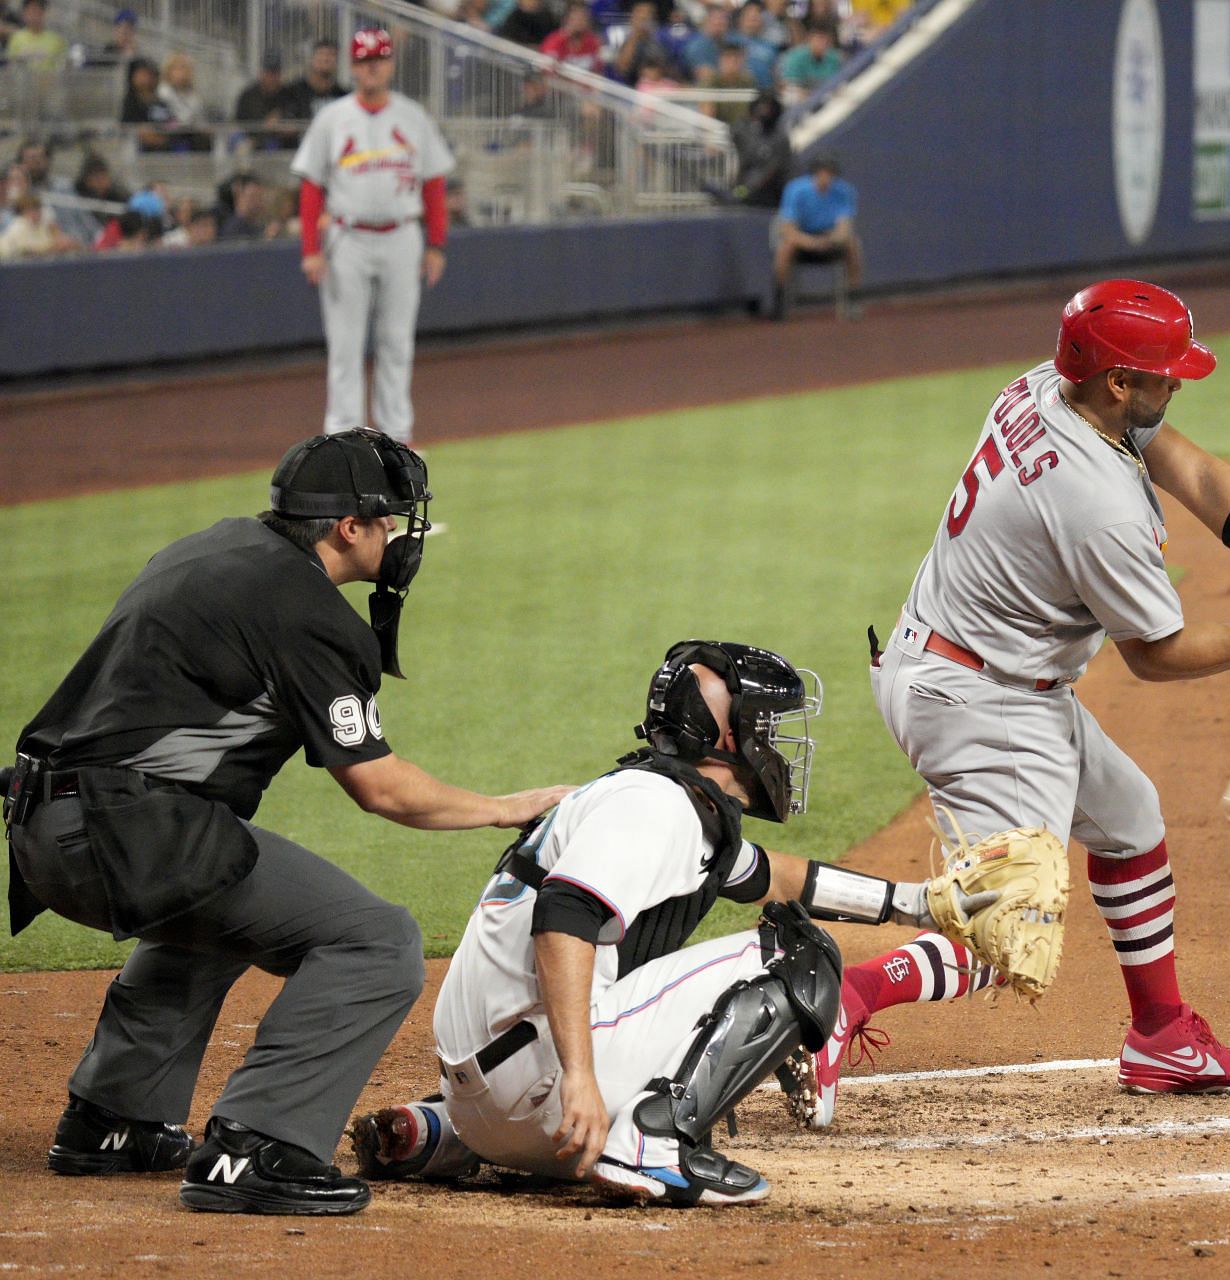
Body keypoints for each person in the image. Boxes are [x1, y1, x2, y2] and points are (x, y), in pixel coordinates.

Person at [812, 281, 1230, 1123]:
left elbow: (1192, 467)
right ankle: (835, 999)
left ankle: (1163, 1038)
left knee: (1129, 818)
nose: (1175, 386)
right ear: (1117, 383)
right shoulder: (1095, 504)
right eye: (1164, 375)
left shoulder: (1048, 385)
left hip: (968, 660)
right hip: (980, 700)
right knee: (1008, 933)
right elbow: (1156, 656)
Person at [3, 430, 573, 1215]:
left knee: (218, 899)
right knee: (376, 941)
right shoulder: (307, 611)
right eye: (389, 519)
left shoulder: (212, 548)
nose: (402, 535)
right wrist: (510, 806)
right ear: (348, 528)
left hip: (43, 828)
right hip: (124, 831)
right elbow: (382, 789)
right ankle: (259, 1146)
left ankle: (114, 1118)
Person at [348, 642, 995, 1204]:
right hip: (546, 1093)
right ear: (726, 735)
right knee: (798, 958)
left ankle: (438, 1136)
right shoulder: (658, 810)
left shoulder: (654, 798)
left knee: (741, 943)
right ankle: (649, 1142)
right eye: (765, 724)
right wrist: (577, 1077)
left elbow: (774, 876)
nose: (778, 743)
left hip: (477, 1102)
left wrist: (918, 903)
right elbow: (563, 919)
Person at [292, 27, 455, 443]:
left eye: (379, 59)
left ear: (391, 63)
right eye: (365, 61)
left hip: (403, 236)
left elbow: (434, 184)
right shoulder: (332, 118)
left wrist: (436, 243)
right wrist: (310, 249)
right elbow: (311, 187)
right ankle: (343, 439)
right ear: (354, 66)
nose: (372, 68)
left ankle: (397, 436)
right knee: (345, 346)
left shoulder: (412, 116)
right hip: (348, 239)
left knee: (397, 341)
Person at [770, 153, 860, 318]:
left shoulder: (844, 192)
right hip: (803, 241)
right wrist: (812, 242)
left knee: (852, 244)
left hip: (828, 240)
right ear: (814, 174)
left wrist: (831, 239)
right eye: (821, 172)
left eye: (829, 173)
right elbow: (788, 230)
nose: (825, 177)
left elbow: (844, 228)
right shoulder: (795, 190)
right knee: (785, 248)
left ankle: (853, 298)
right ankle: (780, 301)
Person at [726, 90, 790, 206]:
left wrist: (746, 191)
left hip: (771, 192)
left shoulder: (780, 138)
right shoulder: (746, 131)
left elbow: (772, 170)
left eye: (767, 107)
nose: (763, 111)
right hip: (746, 187)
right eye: (761, 106)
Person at [277, 39, 347, 120]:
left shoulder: (342, 96)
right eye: (321, 54)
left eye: (331, 55)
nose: (326, 59)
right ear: (312, 60)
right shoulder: (291, 93)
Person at [120, 57, 177, 150]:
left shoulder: (159, 102)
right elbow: (126, 126)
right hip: (138, 147)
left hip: (163, 145)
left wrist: (169, 132)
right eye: (141, 74)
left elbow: (172, 122)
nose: (145, 78)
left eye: (148, 74)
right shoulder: (130, 103)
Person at [0, 190, 77, 258]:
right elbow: (26, 251)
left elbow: (60, 244)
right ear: (22, 212)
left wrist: (62, 241)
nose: (36, 213)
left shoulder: (44, 226)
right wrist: (53, 248)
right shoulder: (18, 226)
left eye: (38, 209)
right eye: (31, 210)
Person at [776, 19, 838, 99]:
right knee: (791, 96)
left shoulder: (833, 58)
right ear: (810, 39)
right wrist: (813, 94)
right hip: (801, 95)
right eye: (819, 39)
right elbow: (787, 85)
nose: (823, 43)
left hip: (823, 95)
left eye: (826, 40)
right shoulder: (796, 57)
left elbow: (836, 84)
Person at [538, 0, 600, 71]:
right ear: (567, 20)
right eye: (575, 19)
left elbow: (597, 69)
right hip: (558, 81)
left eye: (582, 19)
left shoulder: (592, 42)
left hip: (583, 81)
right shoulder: (555, 40)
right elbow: (546, 68)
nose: (579, 23)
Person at [702, 42, 756, 124]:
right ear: (720, 60)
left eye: (737, 58)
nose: (732, 61)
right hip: (717, 130)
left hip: (741, 130)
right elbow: (707, 117)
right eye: (728, 57)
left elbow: (751, 113)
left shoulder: (748, 81)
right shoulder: (710, 80)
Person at [5, 0, 66, 67]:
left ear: (44, 13)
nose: (34, 15)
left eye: (38, 11)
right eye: (31, 11)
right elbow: (11, 65)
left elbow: (62, 67)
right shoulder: (16, 38)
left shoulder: (57, 40)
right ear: (24, 14)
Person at [157, 52, 211, 128]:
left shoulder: (193, 95)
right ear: (169, 71)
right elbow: (168, 121)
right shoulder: (162, 92)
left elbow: (200, 121)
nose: (183, 72)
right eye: (178, 68)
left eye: (186, 68)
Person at [233, 52, 286, 124]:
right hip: (251, 135)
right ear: (261, 73)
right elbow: (238, 124)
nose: (272, 78)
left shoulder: (287, 95)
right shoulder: (248, 96)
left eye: (275, 73)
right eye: (268, 73)